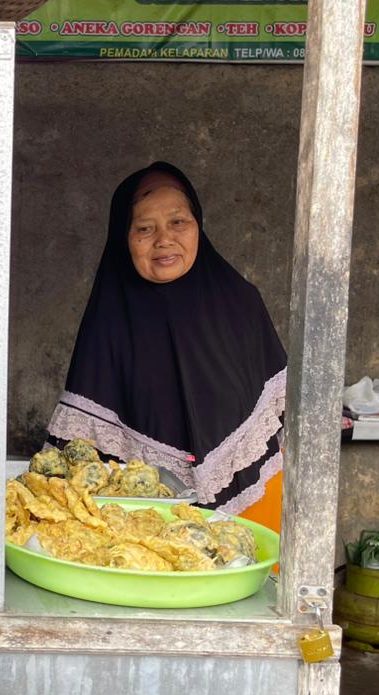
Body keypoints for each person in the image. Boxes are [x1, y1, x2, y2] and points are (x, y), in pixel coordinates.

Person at [47, 162, 287, 528]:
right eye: (145, 228)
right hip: (142, 523)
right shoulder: (109, 322)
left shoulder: (241, 303)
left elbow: (279, 419)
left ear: (197, 224)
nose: (164, 240)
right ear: (123, 237)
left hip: (251, 508)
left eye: (178, 222)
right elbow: (83, 455)